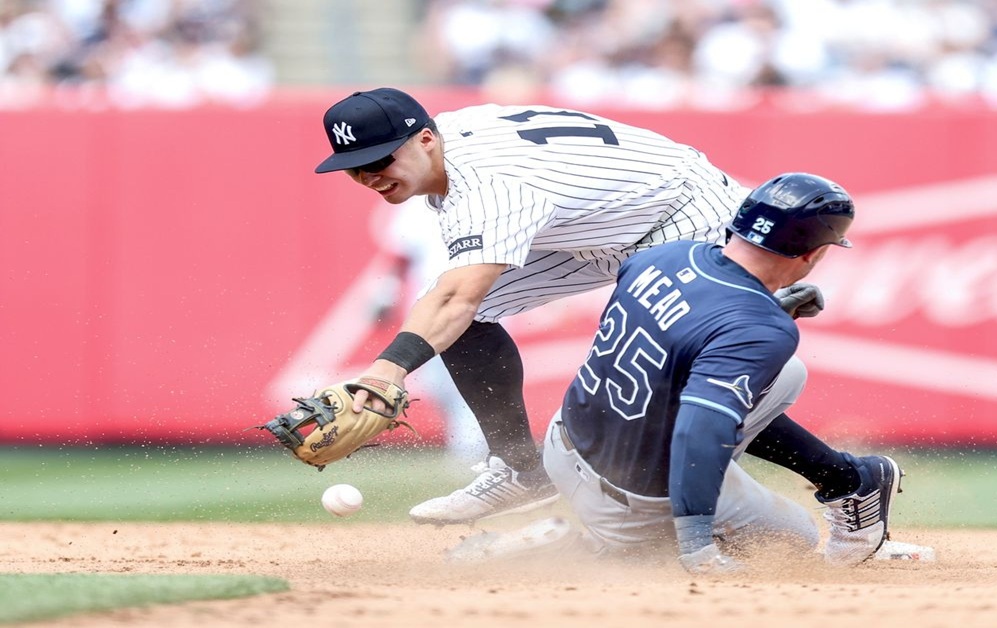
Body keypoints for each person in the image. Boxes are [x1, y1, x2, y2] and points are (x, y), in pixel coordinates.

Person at [313, 87, 748, 525]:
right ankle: (521, 470)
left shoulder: (488, 184)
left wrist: (385, 373)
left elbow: (458, 298)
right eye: (354, 169)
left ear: (426, 138)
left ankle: (812, 481)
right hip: (601, 226)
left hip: (689, 217)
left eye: (380, 161)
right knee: (454, 315)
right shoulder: (450, 143)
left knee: (658, 377)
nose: (369, 177)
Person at [541, 173, 902, 570]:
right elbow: (700, 429)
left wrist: (765, 309)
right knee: (792, 536)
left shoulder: (665, 255)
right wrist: (696, 544)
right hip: (628, 506)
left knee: (785, 372)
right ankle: (606, 549)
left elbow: (675, 338)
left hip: (562, 446)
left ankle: (846, 479)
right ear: (813, 254)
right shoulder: (760, 329)